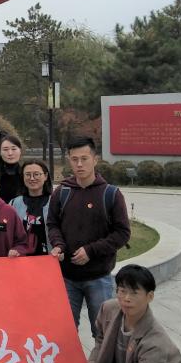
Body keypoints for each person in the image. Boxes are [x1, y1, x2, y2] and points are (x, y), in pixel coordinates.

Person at [47, 137, 131, 338]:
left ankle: (102, 360)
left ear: (95, 159)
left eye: (84, 159)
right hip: (66, 277)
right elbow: (52, 224)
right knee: (65, 333)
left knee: (103, 333)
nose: (79, 164)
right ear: (69, 160)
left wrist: (91, 251)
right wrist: (58, 244)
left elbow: (122, 233)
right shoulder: (62, 192)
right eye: (74, 159)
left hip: (99, 277)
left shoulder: (111, 194)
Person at [11, 160, 53, 255]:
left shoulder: (55, 202)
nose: (32, 178)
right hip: (21, 258)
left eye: (36, 174)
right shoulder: (14, 203)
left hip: (50, 257)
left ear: (45, 176)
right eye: (28, 175)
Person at [0, 134, 25, 202]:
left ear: (20, 151)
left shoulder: (26, 174)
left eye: (14, 149)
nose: (10, 153)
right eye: (5, 149)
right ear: (0, 152)